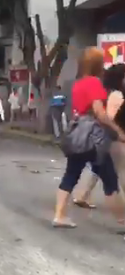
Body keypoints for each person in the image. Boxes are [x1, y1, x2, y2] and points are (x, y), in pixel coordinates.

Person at [53, 47, 125, 228]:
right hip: (93, 137)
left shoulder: (78, 83)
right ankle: (123, 220)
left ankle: (59, 215)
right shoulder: (94, 83)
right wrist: (117, 130)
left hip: (78, 134)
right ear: (97, 64)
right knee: (110, 180)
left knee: (71, 175)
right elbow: (100, 113)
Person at [73, 63, 125, 209]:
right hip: (113, 138)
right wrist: (118, 131)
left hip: (106, 137)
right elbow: (110, 116)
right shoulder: (116, 95)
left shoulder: (110, 92)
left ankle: (81, 195)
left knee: (99, 166)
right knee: (120, 171)